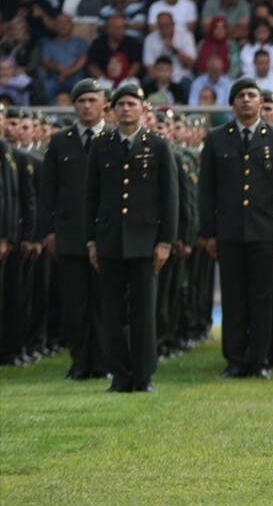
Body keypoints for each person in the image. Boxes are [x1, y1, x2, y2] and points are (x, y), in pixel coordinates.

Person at [197, 77, 273, 380]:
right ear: (232, 103)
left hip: (264, 231)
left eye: (252, 95)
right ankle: (235, 360)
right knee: (233, 298)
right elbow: (207, 191)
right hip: (228, 231)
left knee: (261, 298)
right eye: (240, 95)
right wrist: (209, 232)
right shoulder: (216, 138)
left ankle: (259, 360)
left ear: (261, 103)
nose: (246, 100)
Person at [85, 84, 179, 393]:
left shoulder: (158, 145)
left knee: (143, 312)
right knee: (113, 313)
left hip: (145, 241)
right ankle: (120, 375)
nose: (126, 109)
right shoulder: (101, 146)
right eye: (121, 104)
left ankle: (143, 376)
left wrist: (165, 242)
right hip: (110, 239)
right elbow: (91, 198)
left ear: (142, 109)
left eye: (132, 104)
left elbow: (170, 199)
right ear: (111, 110)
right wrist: (91, 241)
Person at [39, 79, 112, 381]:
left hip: (108, 235)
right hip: (70, 234)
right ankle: (80, 362)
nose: (86, 106)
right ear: (73, 105)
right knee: (75, 304)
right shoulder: (60, 141)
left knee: (106, 302)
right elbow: (49, 190)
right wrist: (49, 231)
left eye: (92, 100)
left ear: (104, 103)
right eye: (80, 101)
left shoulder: (113, 138)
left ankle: (105, 362)